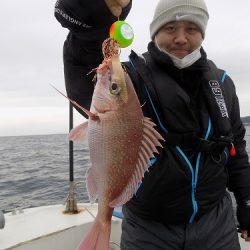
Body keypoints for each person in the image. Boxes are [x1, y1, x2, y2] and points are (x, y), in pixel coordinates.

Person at [54, 0, 250, 249]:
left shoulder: (222, 83)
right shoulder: (131, 77)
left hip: (216, 222)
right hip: (149, 228)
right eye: (170, 28)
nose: (180, 38)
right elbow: (84, 71)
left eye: (191, 29)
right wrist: (98, 11)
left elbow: (236, 149)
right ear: (155, 31)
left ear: (203, 33)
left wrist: (245, 202)